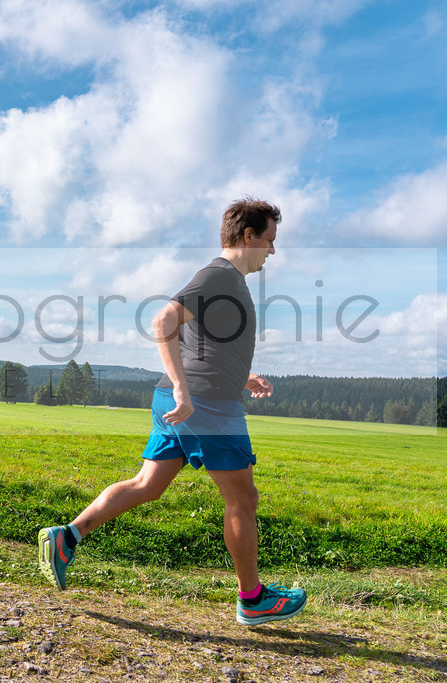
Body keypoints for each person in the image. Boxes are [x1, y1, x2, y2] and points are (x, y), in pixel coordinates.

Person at [37, 198, 306, 626]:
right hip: (206, 409)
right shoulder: (218, 275)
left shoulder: (229, 282)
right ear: (247, 236)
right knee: (243, 499)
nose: (273, 251)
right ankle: (253, 599)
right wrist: (185, 390)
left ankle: (67, 537)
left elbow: (204, 345)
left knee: (147, 484)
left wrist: (242, 378)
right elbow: (163, 321)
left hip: (191, 401)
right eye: (270, 241)